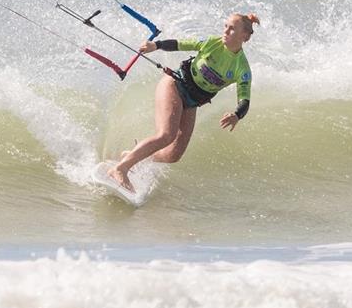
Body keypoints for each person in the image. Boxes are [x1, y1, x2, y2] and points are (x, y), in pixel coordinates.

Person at [108, 12, 259, 191]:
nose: (225, 31)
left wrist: (236, 115)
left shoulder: (241, 68)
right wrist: (156, 45)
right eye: (225, 26)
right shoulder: (212, 43)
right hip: (175, 85)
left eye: (232, 29)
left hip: (192, 102)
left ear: (245, 36)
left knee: (173, 154)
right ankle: (120, 168)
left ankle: (133, 155)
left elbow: (245, 99)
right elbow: (181, 44)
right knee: (166, 135)